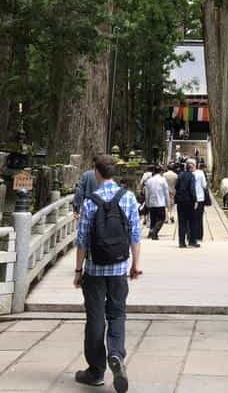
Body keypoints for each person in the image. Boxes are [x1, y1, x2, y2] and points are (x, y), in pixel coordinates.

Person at [74, 154, 141, 391]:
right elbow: (135, 234)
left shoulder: (90, 202)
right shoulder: (129, 197)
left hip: (94, 269)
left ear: (96, 172)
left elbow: (81, 240)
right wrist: (135, 264)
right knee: (117, 314)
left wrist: (78, 269)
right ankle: (116, 355)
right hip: (119, 269)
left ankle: (95, 371)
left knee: (95, 317)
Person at [174, 161, 197, 248]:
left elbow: (176, 186)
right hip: (189, 201)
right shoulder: (191, 176)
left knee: (181, 221)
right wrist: (195, 200)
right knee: (191, 221)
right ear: (190, 168)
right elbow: (192, 189)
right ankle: (192, 240)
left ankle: (181, 242)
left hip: (180, 201)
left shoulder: (180, 175)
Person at [143, 166, 169, 240]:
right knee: (161, 218)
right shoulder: (163, 180)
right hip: (160, 202)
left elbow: (147, 194)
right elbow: (166, 192)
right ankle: (155, 231)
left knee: (153, 219)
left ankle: (151, 232)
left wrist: (147, 202)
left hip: (151, 203)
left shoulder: (149, 181)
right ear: (160, 172)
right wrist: (168, 202)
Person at [191, 159, 208, 245]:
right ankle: (199, 235)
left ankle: (191, 235)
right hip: (200, 198)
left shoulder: (188, 173)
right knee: (199, 218)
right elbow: (204, 185)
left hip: (191, 199)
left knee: (191, 218)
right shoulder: (201, 173)